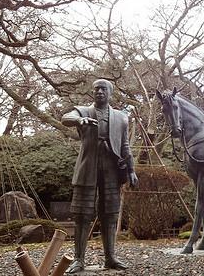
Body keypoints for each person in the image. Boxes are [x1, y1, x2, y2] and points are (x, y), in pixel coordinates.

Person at [61, 79, 138, 273]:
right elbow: (65, 117)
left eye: (103, 89)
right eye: (96, 89)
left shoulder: (121, 117)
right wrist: (79, 120)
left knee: (110, 213)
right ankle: (78, 259)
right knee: (82, 213)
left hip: (112, 167)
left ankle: (110, 257)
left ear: (110, 92)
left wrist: (131, 170)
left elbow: (125, 146)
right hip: (88, 167)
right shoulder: (83, 111)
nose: (99, 92)